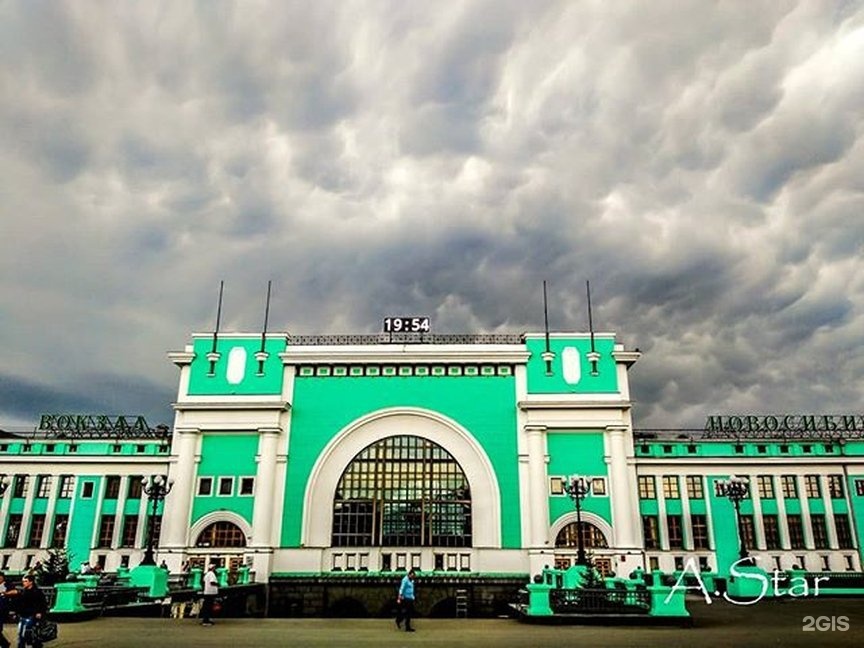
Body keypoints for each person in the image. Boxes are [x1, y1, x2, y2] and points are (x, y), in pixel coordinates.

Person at [13, 574, 47, 648]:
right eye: (23, 581)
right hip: (23, 616)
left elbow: (42, 603)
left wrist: (40, 612)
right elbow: (19, 604)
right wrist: (16, 613)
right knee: (21, 634)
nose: (24, 583)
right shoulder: (23, 592)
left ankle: (36, 645)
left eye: (25, 581)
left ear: (31, 582)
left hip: (31, 616)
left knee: (29, 633)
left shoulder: (37, 592)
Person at [0, 572, 11, 648]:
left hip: (2, 610)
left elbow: (16, 591)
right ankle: (4, 643)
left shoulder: (8, 585)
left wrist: (5, 593)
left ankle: (4, 643)